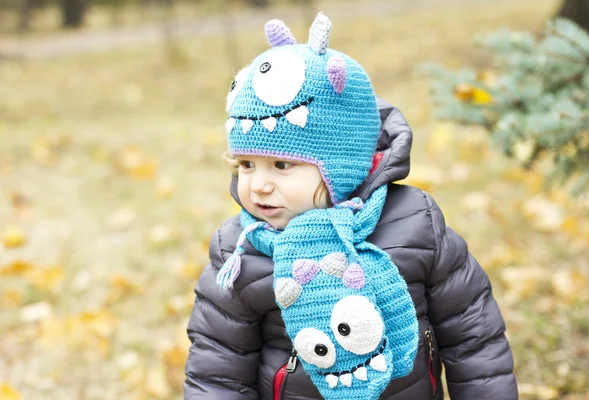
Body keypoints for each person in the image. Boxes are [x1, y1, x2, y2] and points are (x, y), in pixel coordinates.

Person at [184, 13, 518, 400]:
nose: (258, 185)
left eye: (281, 165)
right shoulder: (240, 251)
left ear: (340, 166)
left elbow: (474, 339)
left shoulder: (416, 224)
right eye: (246, 165)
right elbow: (218, 370)